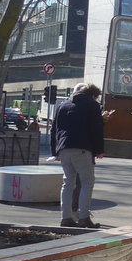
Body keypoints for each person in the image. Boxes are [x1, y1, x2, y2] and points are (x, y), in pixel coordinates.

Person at [50, 83, 106, 228]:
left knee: (68, 183)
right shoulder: (92, 105)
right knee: (87, 182)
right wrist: (99, 150)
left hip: (63, 149)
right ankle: (84, 218)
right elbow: (96, 129)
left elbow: (54, 129)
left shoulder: (63, 105)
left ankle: (66, 217)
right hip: (82, 148)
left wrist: (55, 152)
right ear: (93, 95)